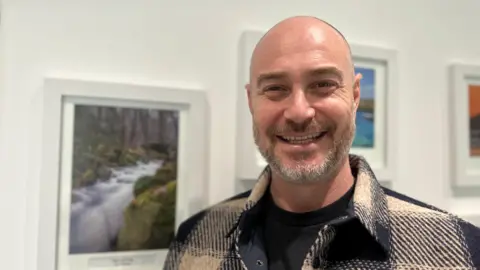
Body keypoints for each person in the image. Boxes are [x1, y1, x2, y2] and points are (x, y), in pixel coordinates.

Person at [163, 16, 480, 269]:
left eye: (323, 85)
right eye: (275, 88)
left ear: (355, 96)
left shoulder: (458, 250)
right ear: (251, 101)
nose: (299, 111)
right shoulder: (194, 239)